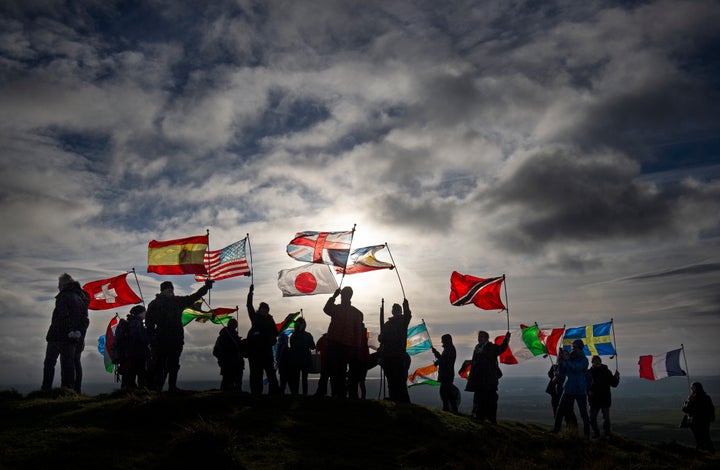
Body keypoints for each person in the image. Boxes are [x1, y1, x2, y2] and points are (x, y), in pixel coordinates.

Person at [146, 279, 212, 392]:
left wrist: (205, 287)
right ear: (162, 291)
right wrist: (152, 339)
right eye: (168, 289)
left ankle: (172, 387)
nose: (170, 291)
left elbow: (193, 297)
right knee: (159, 364)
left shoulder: (177, 301)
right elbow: (149, 323)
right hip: (161, 339)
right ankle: (156, 388)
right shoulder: (154, 304)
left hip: (176, 338)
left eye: (171, 289)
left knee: (174, 364)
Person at [41, 273, 90, 393]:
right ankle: (68, 390)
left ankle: (45, 391)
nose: (58, 287)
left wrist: (69, 331)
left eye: (59, 285)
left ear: (63, 285)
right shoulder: (81, 297)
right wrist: (78, 332)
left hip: (58, 336)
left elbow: (62, 316)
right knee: (68, 365)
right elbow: (85, 319)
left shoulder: (63, 296)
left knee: (49, 363)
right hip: (72, 339)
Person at [323, 286, 365, 399]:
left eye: (343, 295)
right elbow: (358, 333)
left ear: (346, 296)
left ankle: (338, 393)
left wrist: (333, 297)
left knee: (337, 370)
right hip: (341, 344)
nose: (343, 297)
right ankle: (338, 393)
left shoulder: (341, 310)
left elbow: (326, 309)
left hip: (340, 344)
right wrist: (356, 347)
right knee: (338, 370)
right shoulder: (355, 313)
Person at [465, 330, 510, 424]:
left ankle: (491, 418)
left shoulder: (491, 347)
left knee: (491, 399)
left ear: (486, 338)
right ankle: (479, 416)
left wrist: (506, 339)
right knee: (480, 398)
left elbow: (502, 348)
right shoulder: (477, 348)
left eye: (481, 337)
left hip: (489, 379)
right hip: (479, 379)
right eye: (479, 337)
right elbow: (476, 362)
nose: (479, 339)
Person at [552, 339, 591, 438]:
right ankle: (556, 430)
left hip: (580, 390)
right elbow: (563, 371)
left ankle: (587, 434)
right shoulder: (570, 359)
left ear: (580, 348)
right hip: (568, 388)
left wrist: (566, 360)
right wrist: (560, 362)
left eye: (575, 347)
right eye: (572, 347)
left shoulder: (584, 360)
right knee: (560, 409)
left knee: (583, 413)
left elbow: (576, 368)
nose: (572, 349)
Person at [246, 284, 280, 395]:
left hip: (266, 351)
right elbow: (249, 306)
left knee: (270, 373)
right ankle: (256, 393)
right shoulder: (255, 318)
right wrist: (250, 293)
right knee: (256, 374)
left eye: (266, 309)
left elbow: (276, 333)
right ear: (259, 310)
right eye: (262, 309)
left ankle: (274, 392)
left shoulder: (270, 320)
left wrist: (273, 339)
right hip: (255, 352)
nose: (264, 311)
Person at [378, 299, 412, 403]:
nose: (395, 312)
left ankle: (403, 400)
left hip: (397, 355)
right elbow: (382, 338)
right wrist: (381, 338)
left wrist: (406, 306)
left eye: (397, 310)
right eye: (395, 310)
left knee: (399, 381)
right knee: (392, 380)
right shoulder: (389, 324)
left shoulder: (402, 322)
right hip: (389, 354)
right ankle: (394, 397)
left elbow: (408, 315)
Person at [117, 305, 150, 390]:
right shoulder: (136, 324)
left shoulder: (130, 323)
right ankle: (139, 393)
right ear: (140, 313)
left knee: (129, 376)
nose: (146, 313)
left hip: (128, 355)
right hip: (138, 354)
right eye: (144, 311)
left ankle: (126, 392)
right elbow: (142, 339)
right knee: (141, 374)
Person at [588, 355, 620, 438]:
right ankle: (597, 433)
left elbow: (614, 384)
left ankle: (607, 434)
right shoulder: (589, 373)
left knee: (606, 418)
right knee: (592, 418)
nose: (598, 362)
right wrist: (588, 391)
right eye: (596, 360)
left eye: (599, 360)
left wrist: (616, 377)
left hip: (604, 398)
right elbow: (585, 385)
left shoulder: (606, 371)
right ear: (592, 362)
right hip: (594, 399)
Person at [546, 351, 577, 429]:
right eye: (560, 356)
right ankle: (558, 429)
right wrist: (555, 375)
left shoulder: (569, 367)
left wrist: (560, 375)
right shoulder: (555, 367)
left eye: (562, 356)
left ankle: (571, 429)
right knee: (556, 411)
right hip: (555, 393)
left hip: (566, 393)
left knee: (568, 412)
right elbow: (551, 376)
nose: (560, 357)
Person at [212, 318, 246, 391]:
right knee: (228, 383)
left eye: (235, 324)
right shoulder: (223, 336)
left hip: (237, 363)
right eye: (233, 324)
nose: (234, 326)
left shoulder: (234, 336)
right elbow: (218, 351)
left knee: (235, 383)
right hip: (228, 364)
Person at [682, 381, 716, 453]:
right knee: (706, 436)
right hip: (705, 420)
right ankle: (709, 450)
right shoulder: (707, 397)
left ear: (694, 389)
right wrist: (711, 417)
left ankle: (704, 449)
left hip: (695, 421)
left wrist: (686, 402)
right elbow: (711, 408)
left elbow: (686, 409)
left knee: (698, 436)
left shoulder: (693, 399)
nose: (691, 389)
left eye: (692, 388)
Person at [287, 317, 315, 396]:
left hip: (295, 360)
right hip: (305, 360)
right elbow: (313, 347)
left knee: (296, 379)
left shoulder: (293, 336)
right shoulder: (308, 335)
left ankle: (296, 395)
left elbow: (292, 346)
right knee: (304, 379)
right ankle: (304, 395)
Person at [432, 334, 458, 413]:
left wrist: (437, 362)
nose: (441, 342)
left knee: (445, 392)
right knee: (446, 392)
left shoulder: (449, 350)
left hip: (447, 374)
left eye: (443, 340)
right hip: (447, 374)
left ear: (447, 340)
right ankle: (450, 408)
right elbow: (443, 359)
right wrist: (436, 353)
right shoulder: (449, 349)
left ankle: (449, 408)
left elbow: (444, 361)